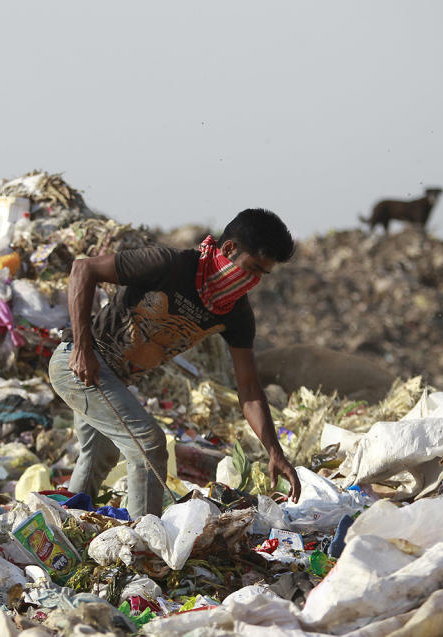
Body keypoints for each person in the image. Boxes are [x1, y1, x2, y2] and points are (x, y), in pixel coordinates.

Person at [48, 208, 302, 519]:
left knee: (100, 454)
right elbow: (83, 269)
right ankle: (145, 543)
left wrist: (274, 451)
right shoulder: (170, 265)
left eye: (262, 275)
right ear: (228, 249)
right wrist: (82, 349)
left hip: (112, 379)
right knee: (149, 446)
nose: (252, 281)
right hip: (78, 363)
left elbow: (249, 390)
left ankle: (64, 525)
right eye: (251, 269)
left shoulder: (234, 312)